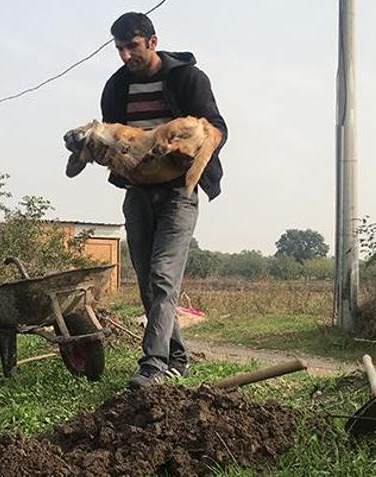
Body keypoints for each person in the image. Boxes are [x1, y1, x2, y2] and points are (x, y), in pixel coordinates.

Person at [100, 12, 228, 388]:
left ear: (152, 42)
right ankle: (177, 357)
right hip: (137, 192)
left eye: (132, 46)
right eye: (120, 48)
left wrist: (191, 146)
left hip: (178, 193)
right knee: (147, 281)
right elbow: (113, 136)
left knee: (162, 276)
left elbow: (218, 128)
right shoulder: (115, 88)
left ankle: (152, 364)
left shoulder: (187, 78)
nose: (125, 55)